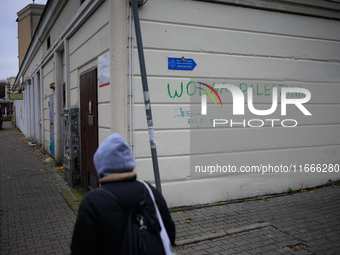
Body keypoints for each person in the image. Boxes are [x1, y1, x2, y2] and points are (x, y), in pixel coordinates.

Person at [71, 133, 176, 254]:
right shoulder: (149, 191)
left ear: (100, 164)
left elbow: (81, 248)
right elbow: (169, 232)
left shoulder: (92, 201)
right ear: (129, 161)